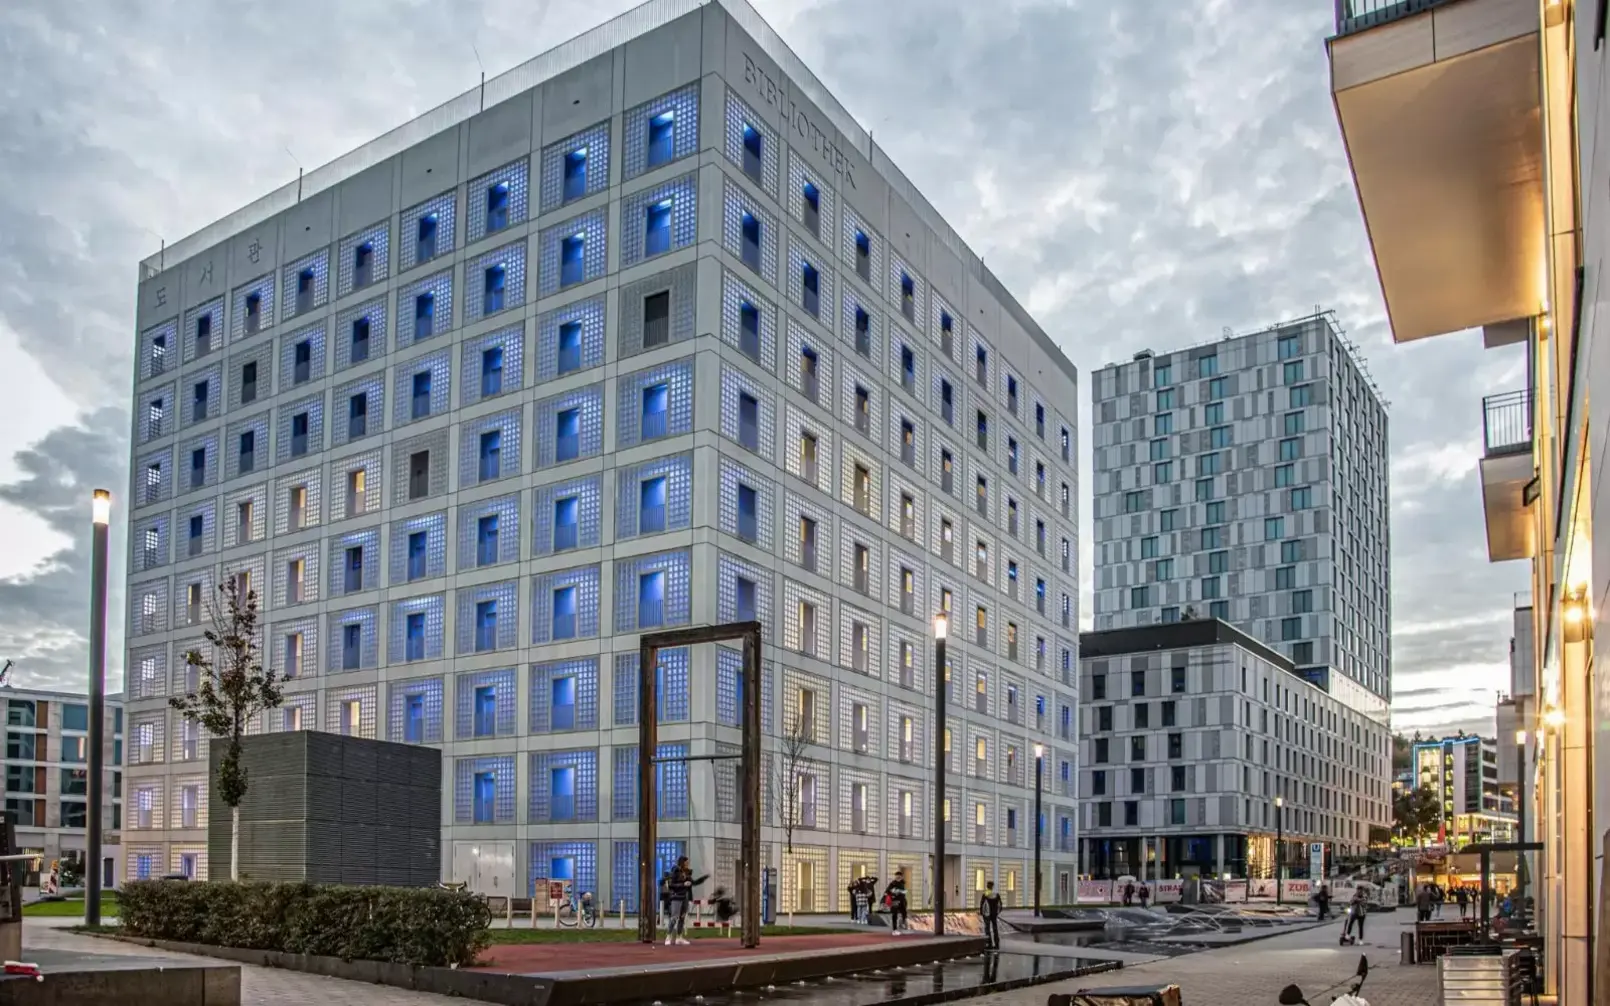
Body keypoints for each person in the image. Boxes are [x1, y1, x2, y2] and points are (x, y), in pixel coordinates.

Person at [664, 856, 709, 946]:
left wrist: (704, 878)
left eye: (688, 862)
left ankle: (679, 937)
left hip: (685, 897)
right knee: (674, 918)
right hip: (677, 897)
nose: (688, 864)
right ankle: (668, 937)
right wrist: (683, 884)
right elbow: (671, 885)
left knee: (682, 918)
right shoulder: (675, 871)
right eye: (686, 862)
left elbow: (694, 882)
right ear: (682, 862)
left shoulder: (687, 873)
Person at [979, 881, 1003, 949]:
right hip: (994, 913)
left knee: (987, 928)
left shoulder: (986, 894)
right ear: (993, 886)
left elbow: (982, 903)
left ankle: (989, 943)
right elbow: (1000, 904)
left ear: (988, 886)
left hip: (987, 913)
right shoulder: (996, 894)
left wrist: (981, 912)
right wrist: (998, 911)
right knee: (995, 928)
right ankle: (997, 943)